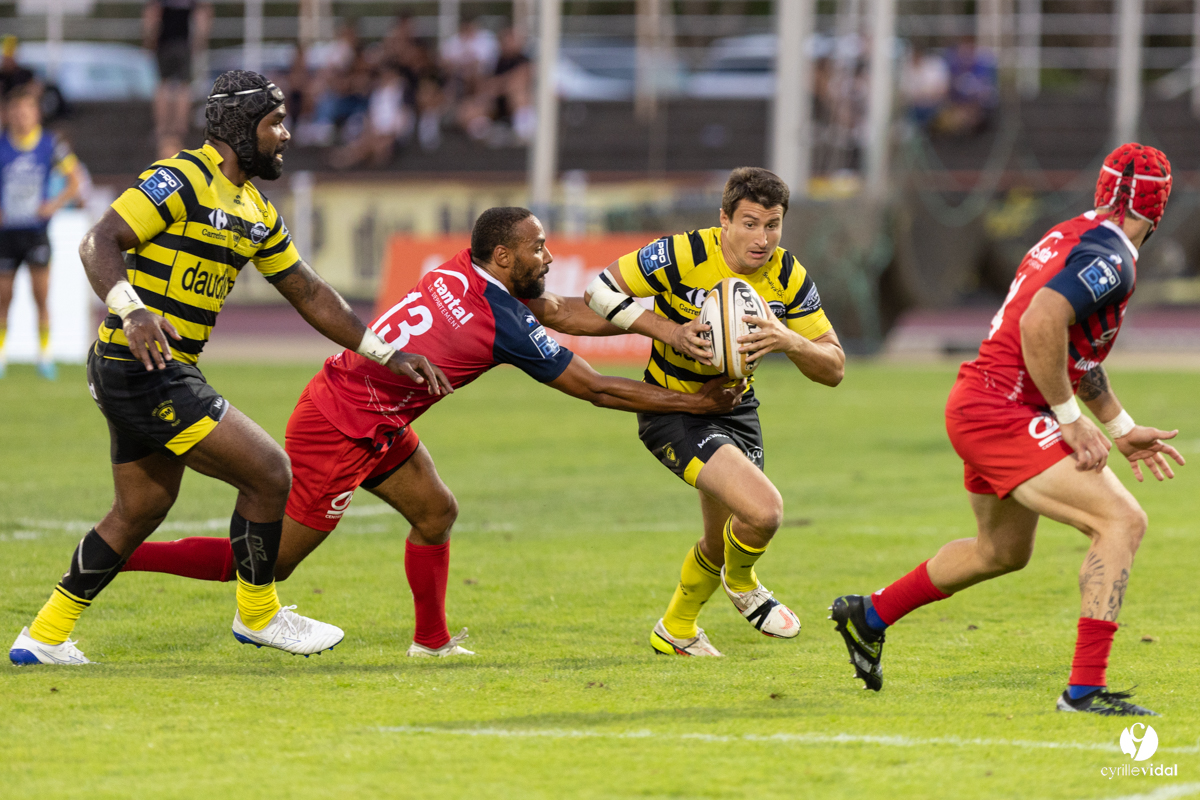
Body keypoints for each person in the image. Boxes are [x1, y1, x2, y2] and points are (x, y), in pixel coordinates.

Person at [115, 206, 744, 657]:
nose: (549, 256)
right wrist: (693, 400)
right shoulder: (500, 319)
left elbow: (552, 310)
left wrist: (658, 325)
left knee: (437, 511)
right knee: (261, 563)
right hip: (339, 426)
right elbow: (597, 387)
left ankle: (432, 642)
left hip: (372, 415)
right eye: (539, 246)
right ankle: (122, 556)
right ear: (505, 256)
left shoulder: (460, 269)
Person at [8, 70, 450, 667]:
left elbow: (311, 293)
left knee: (138, 511)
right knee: (269, 472)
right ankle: (259, 615)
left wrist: (387, 352)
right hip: (140, 366)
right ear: (241, 128)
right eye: (275, 123)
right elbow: (99, 240)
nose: (285, 135)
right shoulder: (181, 178)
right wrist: (132, 310)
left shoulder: (256, 209)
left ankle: (44, 634)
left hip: (157, 369)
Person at [830, 143, 1184, 716]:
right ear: (1159, 207)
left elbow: (1074, 349)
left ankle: (868, 615)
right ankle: (1084, 691)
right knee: (1121, 520)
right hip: (1003, 409)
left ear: (1102, 190)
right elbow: (1043, 322)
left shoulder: (1074, 232)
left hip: (982, 401)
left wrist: (1118, 425)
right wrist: (1070, 421)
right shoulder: (1113, 258)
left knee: (1001, 551)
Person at [584, 167, 846, 657]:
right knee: (764, 512)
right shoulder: (684, 253)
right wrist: (669, 331)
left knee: (722, 536)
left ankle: (675, 631)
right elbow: (598, 291)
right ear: (723, 219)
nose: (761, 238)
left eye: (772, 225)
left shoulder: (787, 274)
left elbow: (834, 368)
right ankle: (744, 584)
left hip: (736, 406)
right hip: (674, 409)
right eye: (749, 223)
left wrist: (788, 339)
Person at [0, 82, 83, 380]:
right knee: (3, 296)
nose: (21, 116)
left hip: (36, 232)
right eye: (16, 111)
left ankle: (45, 355)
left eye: (26, 110)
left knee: (41, 296)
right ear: (9, 114)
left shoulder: (51, 145)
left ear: (36, 114)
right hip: (6, 234)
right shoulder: (2, 144)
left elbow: (75, 180)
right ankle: (2, 356)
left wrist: (53, 205)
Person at [143, 0, 212, 159]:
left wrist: (149, 38)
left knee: (163, 85)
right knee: (183, 86)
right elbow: (203, 14)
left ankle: (161, 128)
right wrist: (200, 41)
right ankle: (180, 127)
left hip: (164, 42)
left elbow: (152, 14)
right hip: (183, 43)